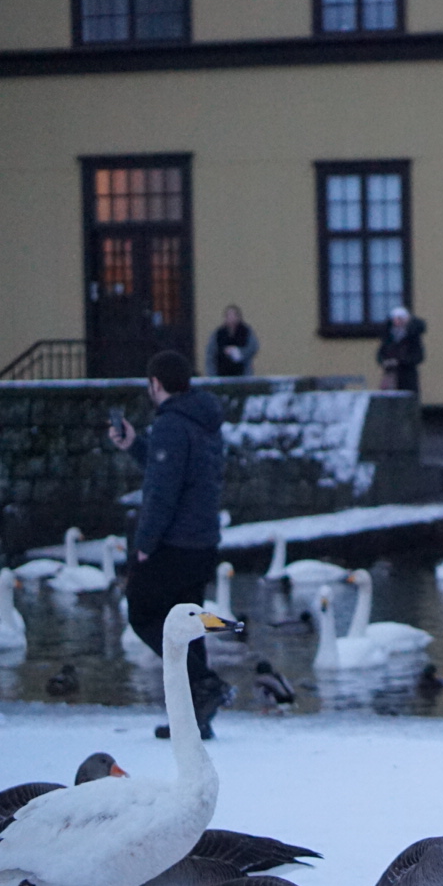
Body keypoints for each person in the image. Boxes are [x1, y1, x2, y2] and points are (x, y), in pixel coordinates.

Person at [108, 350, 228, 740]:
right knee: (191, 624)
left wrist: (143, 545)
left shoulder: (172, 424)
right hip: (203, 542)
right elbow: (174, 469)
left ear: (155, 384)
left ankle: (205, 684)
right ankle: (195, 720)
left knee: (142, 612)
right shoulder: (203, 420)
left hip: (174, 543)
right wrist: (136, 445)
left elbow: (162, 492)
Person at [377, 306, 427, 397]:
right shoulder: (388, 337)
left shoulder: (413, 337)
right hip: (391, 375)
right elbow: (381, 354)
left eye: (400, 319)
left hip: (408, 376)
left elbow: (419, 356)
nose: (397, 322)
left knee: (408, 398)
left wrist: (401, 361)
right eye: (395, 319)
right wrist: (385, 361)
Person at [203, 304, 259, 377]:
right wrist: (211, 375)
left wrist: (238, 351)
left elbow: (253, 348)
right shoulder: (218, 333)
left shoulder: (246, 331)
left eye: (233, 315)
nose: (231, 317)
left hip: (242, 373)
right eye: (228, 315)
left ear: (239, 317)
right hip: (221, 373)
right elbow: (210, 353)